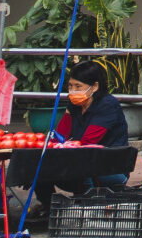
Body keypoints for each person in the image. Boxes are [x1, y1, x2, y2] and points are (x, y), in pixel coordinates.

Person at [30, 60, 130, 215]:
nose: (73, 91)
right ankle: (48, 206)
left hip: (110, 167)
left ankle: (87, 207)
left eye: (78, 86)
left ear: (94, 87)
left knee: (83, 165)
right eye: (70, 86)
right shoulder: (75, 105)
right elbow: (60, 135)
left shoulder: (107, 105)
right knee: (37, 165)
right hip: (79, 159)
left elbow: (89, 142)